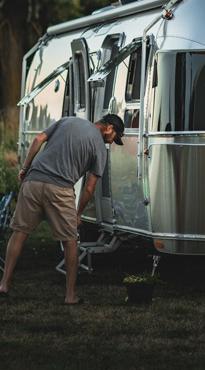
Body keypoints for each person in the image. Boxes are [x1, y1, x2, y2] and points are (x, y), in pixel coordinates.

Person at [0, 113, 124, 305]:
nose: (111, 143)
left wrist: (25, 168)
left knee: (19, 233)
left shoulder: (68, 120)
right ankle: (70, 296)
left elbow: (38, 139)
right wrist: (79, 213)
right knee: (70, 241)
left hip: (33, 181)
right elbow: (89, 187)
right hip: (60, 189)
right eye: (113, 138)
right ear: (109, 128)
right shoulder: (100, 148)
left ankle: (4, 285)